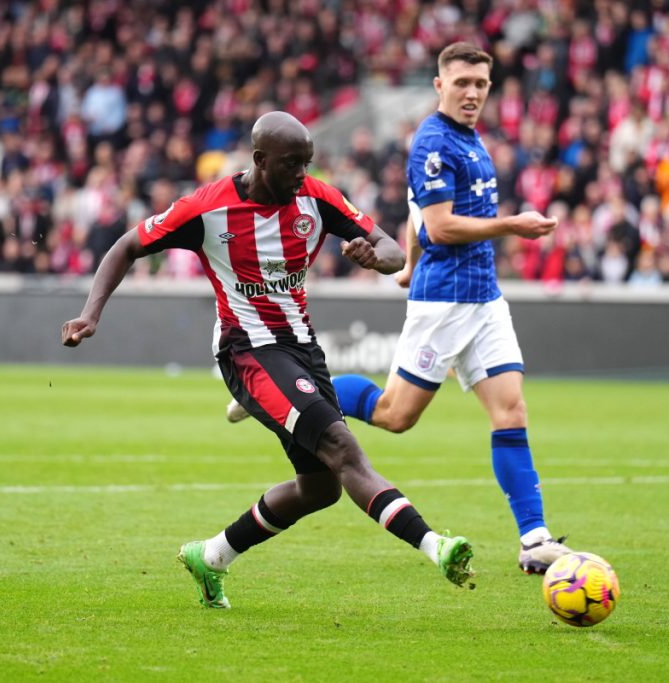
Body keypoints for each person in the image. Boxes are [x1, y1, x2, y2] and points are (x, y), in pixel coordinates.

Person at [61, 112, 475, 609]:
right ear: (260, 161)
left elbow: (390, 250)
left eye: (307, 163)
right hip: (247, 350)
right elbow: (128, 246)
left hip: (302, 347)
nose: (302, 174)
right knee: (343, 449)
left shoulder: (317, 198)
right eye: (292, 164)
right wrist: (91, 314)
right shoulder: (207, 208)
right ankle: (437, 546)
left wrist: (374, 255)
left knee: (320, 489)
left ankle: (211, 556)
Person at [232, 44, 570, 574]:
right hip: (445, 300)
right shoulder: (432, 142)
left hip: (485, 297)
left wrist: (408, 260)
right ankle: (286, 398)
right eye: (462, 83)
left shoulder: (472, 139)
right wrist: (513, 225)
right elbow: (441, 225)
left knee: (511, 412)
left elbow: (417, 217)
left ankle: (534, 540)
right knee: (395, 416)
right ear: (440, 85)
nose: (473, 93)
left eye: (481, 84)